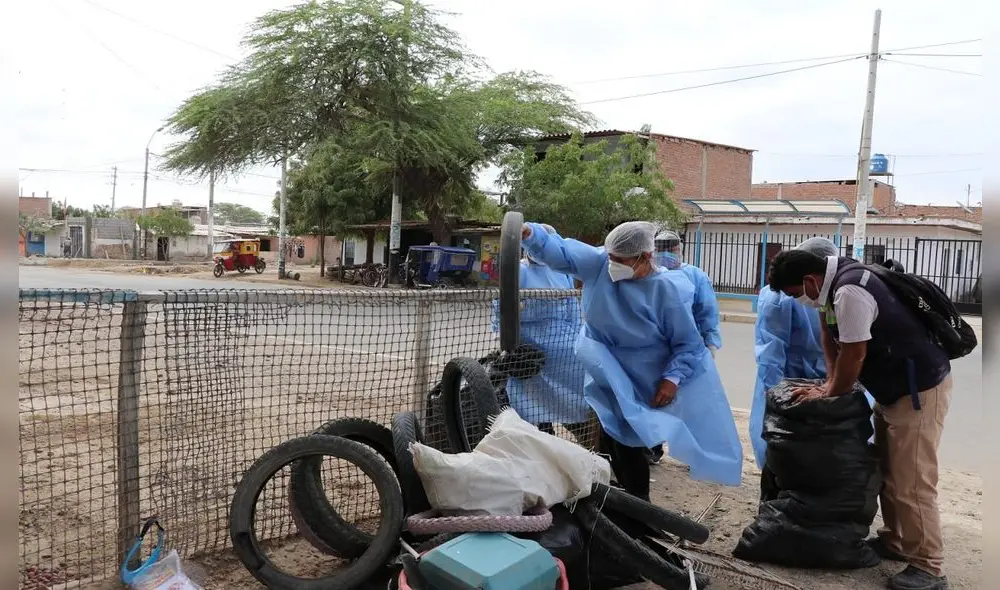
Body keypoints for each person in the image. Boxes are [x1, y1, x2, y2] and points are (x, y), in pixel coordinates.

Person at [767, 248, 953, 590]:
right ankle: (896, 541)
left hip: (917, 391)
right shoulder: (833, 283)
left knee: (912, 481)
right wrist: (827, 385)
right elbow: (830, 338)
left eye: (796, 294)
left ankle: (929, 567)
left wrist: (832, 393)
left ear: (809, 280)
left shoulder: (849, 291)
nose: (798, 301)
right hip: (893, 388)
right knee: (889, 471)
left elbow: (855, 351)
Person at [521, 220, 743, 501]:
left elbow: (687, 343)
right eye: (610, 256)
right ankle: (622, 500)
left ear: (645, 258)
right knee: (608, 434)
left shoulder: (666, 291)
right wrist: (532, 235)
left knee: (630, 441)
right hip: (605, 367)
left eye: (619, 259)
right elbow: (563, 252)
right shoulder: (600, 265)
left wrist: (671, 379)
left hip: (644, 375)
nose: (611, 263)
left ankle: (639, 505)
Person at [490, 224, 592, 446]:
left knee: (573, 398)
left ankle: (587, 441)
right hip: (530, 352)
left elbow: (572, 312)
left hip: (563, 351)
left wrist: (577, 343)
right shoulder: (517, 271)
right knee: (530, 404)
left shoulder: (561, 274)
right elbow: (502, 313)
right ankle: (541, 441)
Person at [648, 229, 723, 465]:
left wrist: (709, 342)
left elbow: (707, 311)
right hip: (657, 348)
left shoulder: (694, 275)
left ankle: (694, 452)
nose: (667, 253)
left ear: (679, 249)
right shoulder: (649, 274)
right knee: (656, 399)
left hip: (689, 349)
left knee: (692, 403)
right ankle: (653, 447)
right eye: (662, 248)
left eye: (671, 248)